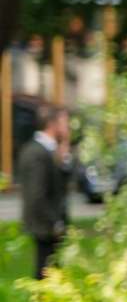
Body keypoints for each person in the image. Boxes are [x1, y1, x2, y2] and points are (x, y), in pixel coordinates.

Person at [18, 103, 72, 279]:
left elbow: (60, 185)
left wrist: (64, 153)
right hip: (45, 226)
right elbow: (37, 195)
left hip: (50, 225)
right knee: (45, 274)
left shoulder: (50, 151)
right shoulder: (36, 153)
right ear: (52, 124)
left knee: (51, 274)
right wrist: (55, 223)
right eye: (64, 123)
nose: (67, 128)